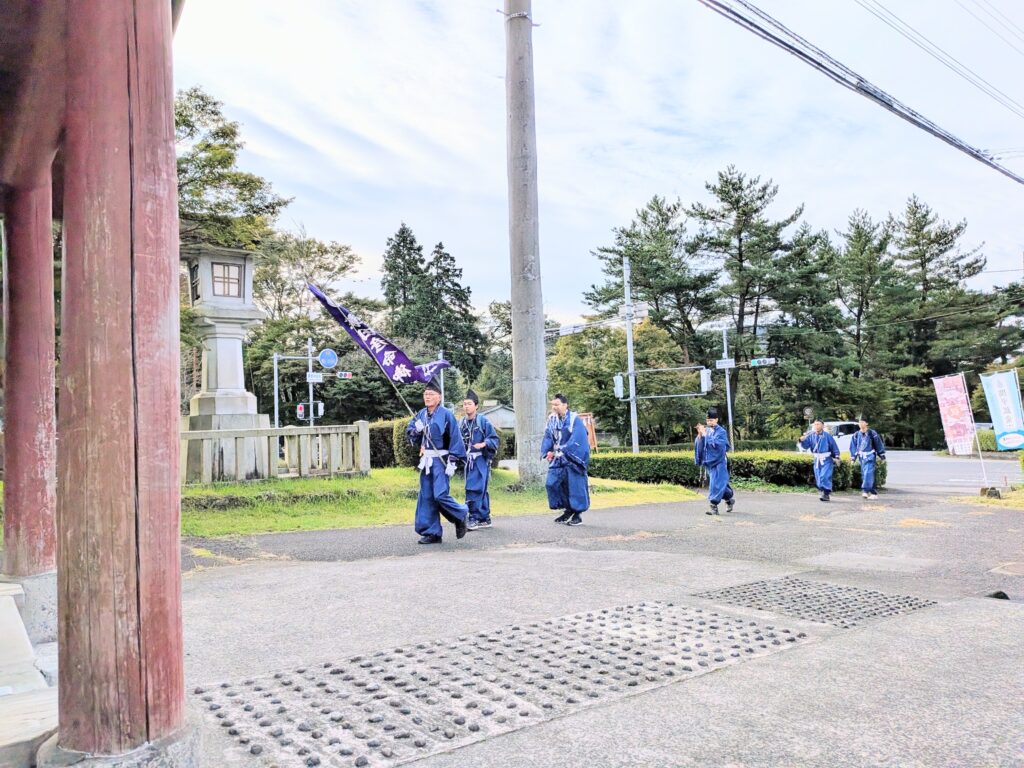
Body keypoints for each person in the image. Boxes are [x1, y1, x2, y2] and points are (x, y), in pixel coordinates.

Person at [406, 379, 469, 544]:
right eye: (425, 394)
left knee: (440, 495)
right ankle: (432, 532)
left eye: (431, 394)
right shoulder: (421, 414)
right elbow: (411, 432)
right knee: (426, 496)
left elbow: (455, 436)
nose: (427, 397)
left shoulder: (446, 414)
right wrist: (415, 430)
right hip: (426, 460)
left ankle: (461, 513)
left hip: (441, 460)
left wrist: (453, 461)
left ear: (439, 397)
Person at [541, 394, 591, 526]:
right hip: (557, 458)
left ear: (565, 405)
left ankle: (577, 514)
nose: (554, 407)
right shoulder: (551, 419)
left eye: (556, 405)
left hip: (572, 458)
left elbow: (579, 439)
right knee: (552, 483)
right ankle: (567, 510)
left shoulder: (575, 419)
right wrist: (548, 451)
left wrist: (566, 451)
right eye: (553, 405)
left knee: (574, 486)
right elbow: (548, 437)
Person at [459, 389, 500, 529]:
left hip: (480, 460)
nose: (466, 406)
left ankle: (473, 517)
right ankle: (484, 518)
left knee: (474, 488)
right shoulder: (462, 422)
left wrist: (483, 444)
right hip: (468, 461)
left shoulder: (483, 421)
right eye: (464, 404)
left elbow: (494, 439)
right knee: (480, 488)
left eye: (469, 404)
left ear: (476, 406)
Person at [695, 407, 735, 516]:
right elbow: (700, 444)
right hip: (709, 462)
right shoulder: (706, 430)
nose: (709, 422)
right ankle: (729, 499)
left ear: (716, 420)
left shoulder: (721, 431)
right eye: (708, 420)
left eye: (711, 420)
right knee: (721, 484)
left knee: (715, 483)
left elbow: (719, 445)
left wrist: (705, 435)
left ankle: (713, 505)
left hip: (720, 462)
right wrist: (700, 435)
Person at [800, 419, 841, 502]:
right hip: (817, 459)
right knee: (818, 477)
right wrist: (802, 440)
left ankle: (826, 493)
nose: (816, 426)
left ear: (822, 425)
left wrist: (837, 457)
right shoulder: (811, 435)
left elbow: (833, 446)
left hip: (826, 459)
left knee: (824, 476)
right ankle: (822, 491)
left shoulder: (827, 436)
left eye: (818, 424)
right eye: (815, 424)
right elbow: (805, 446)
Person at [850, 418, 886, 499]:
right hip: (861, 457)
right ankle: (873, 493)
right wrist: (853, 458)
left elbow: (878, 444)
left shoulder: (872, 433)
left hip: (870, 456)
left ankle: (865, 491)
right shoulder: (856, 434)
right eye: (859, 422)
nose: (860, 424)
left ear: (866, 423)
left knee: (868, 473)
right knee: (865, 474)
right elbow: (854, 447)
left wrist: (882, 455)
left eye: (862, 422)